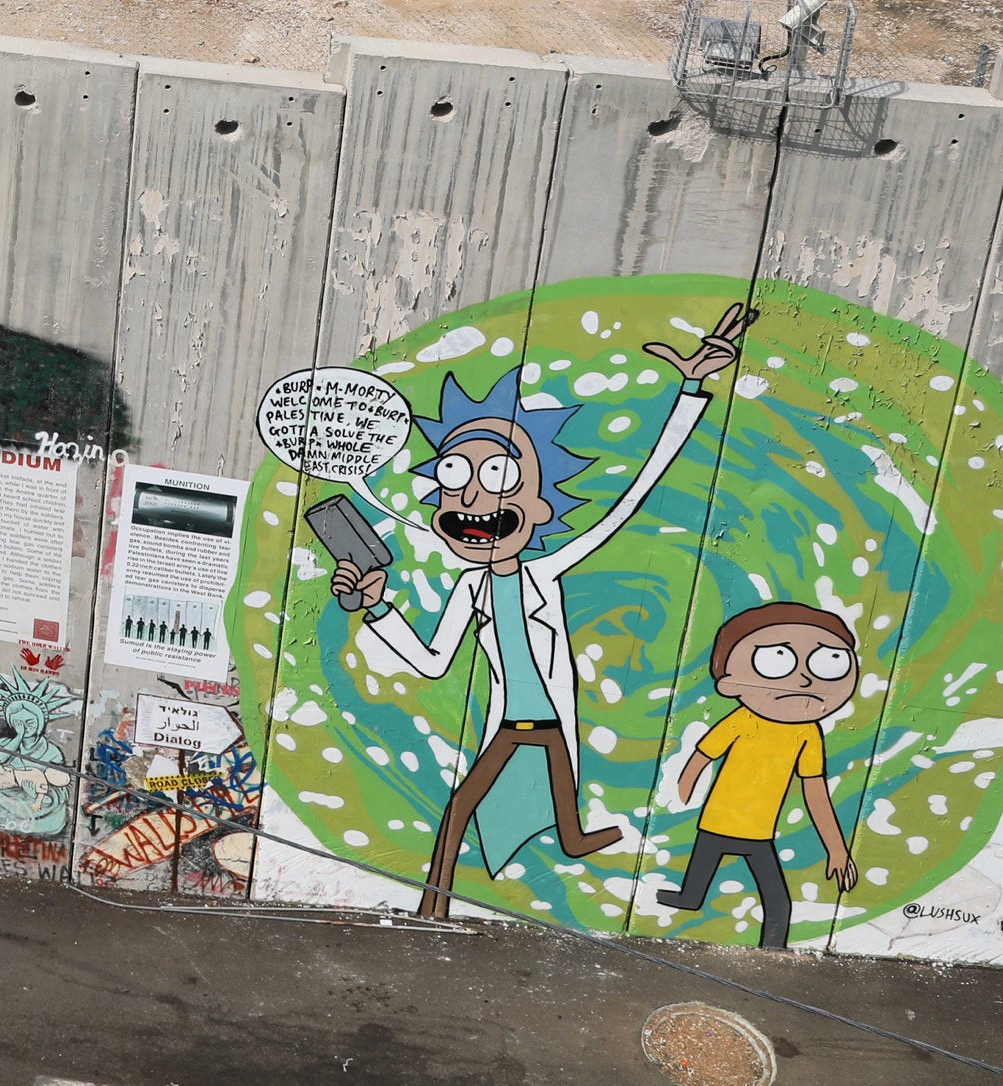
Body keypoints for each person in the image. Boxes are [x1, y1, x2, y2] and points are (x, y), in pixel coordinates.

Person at [330, 302, 752, 920]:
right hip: (516, 725)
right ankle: (438, 904)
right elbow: (431, 662)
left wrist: (691, 389)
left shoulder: (544, 570)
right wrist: (376, 609)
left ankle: (543, 851)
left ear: (542, 509)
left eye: (498, 474)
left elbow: (633, 495)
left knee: (491, 803)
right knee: (464, 810)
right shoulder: (471, 588)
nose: (472, 496)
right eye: (454, 475)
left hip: (547, 722)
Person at [654, 600, 862, 949]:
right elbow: (704, 753)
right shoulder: (743, 720)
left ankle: (773, 950)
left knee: (778, 902)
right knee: (693, 894)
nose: (805, 678)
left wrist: (837, 849)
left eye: (830, 661)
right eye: (776, 659)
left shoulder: (807, 732)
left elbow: (815, 791)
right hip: (718, 821)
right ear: (730, 684)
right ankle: (685, 898)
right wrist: (683, 787)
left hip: (757, 831)